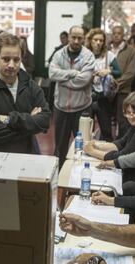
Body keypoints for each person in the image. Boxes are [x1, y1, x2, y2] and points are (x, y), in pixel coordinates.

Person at [0, 33, 50, 153]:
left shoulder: (31, 86)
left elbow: (44, 120)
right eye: (6, 59)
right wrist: (30, 123)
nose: (11, 65)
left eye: (16, 60)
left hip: (26, 156)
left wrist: (10, 119)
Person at [84, 92, 135, 182]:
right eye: (128, 113)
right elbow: (121, 143)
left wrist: (92, 151)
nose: (131, 117)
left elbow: (122, 156)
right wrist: (97, 146)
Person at [49, 25, 95, 168]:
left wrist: (62, 80)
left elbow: (84, 80)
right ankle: (58, 178)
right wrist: (73, 73)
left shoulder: (88, 56)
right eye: (73, 37)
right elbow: (52, 74)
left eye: (79, 38)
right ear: (68, 37)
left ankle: (77, 176)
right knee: (60, 148)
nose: (76, 41)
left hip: (82, 110)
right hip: (61, 108)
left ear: (83, 39)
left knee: (82, 147)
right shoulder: (58, 54)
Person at [86, 28, 121, 142]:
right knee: (85, 130)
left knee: (106, 131)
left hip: (103, 97)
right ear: (90, 40)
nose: (98, 43)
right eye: (95, 40)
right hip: (86, 97)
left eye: (101, 40)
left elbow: (119, 72)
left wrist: (108, 71)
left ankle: (106, 156)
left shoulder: (108, 55)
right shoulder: (84, 54)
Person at [109, 26, 135, 138]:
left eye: (119, 33)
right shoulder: (106, 49)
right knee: (106, 119)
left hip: (123, 91)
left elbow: (131, 73)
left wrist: (116, 84)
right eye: (114, 33)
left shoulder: (130, 50)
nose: (116, 35)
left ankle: (122, 144)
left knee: (123, 120)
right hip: (106, 91)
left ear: (123, 35)